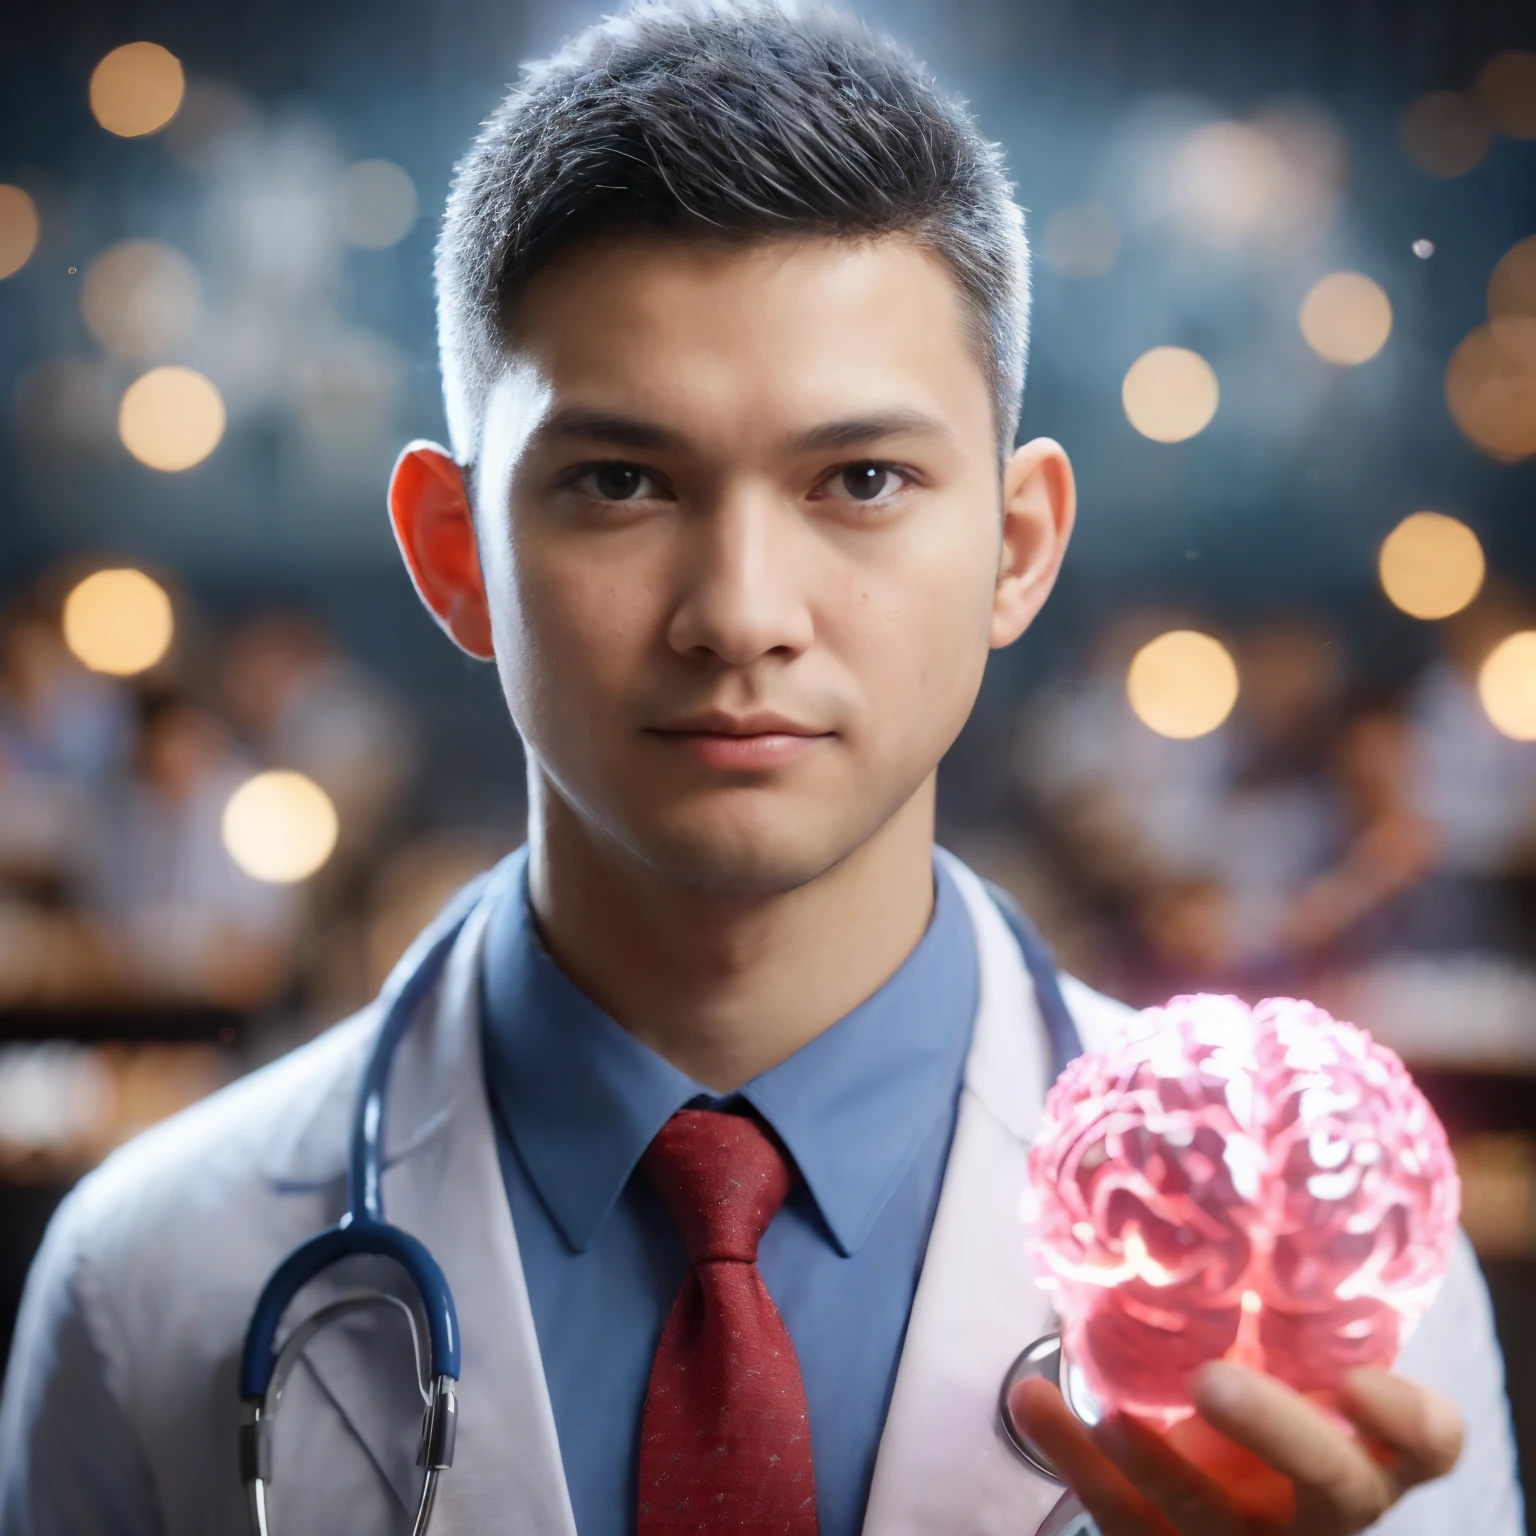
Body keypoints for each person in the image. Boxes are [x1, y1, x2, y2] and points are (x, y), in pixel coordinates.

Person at [0, 6, 1522, 1535]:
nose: (740, 613)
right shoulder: (146, 1280)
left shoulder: (1339, 1302)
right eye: (619, 482)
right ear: (455, 555)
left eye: (860, 481)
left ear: (1016, 546)